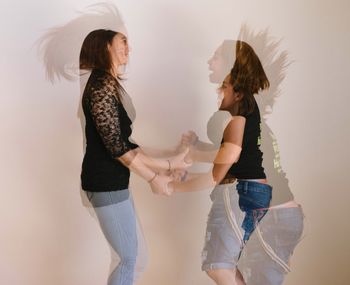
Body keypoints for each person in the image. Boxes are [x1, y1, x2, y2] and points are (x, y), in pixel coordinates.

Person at [79, 29, 190, 285]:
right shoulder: (99, 87)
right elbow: (117, 148)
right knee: (128, 259)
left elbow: (126, 144)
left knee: (137, 259)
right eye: (123, 42)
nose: (130, 48)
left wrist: (170, 160)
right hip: (105, 183)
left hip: (114, 182)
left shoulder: (108, 84)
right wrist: (155, 176)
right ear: (105, 46)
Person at [172, 40, 272, 285]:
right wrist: (198, 148)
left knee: (219, 266)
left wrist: (178, 182)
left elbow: (230, 156)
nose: (210, 61)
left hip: (242, 191)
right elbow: (233, 152)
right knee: (225, 265)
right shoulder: (244, 104)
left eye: (215, 57)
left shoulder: (241, 107)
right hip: (251, 190)